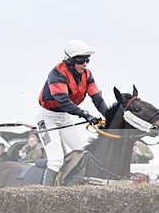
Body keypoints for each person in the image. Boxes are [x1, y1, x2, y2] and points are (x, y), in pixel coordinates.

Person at [37, 39, 109, 185]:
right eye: (81, 60)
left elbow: (97, 99)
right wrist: (86, 115)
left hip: (66, 118)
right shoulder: (57, 73)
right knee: (56, 160)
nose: (85, 64)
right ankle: (46, 193)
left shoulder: (87, 74)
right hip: (47, 119)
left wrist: (110, 117)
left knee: (86, 153)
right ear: (70, 60)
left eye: (87, 60)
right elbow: (63, 101)